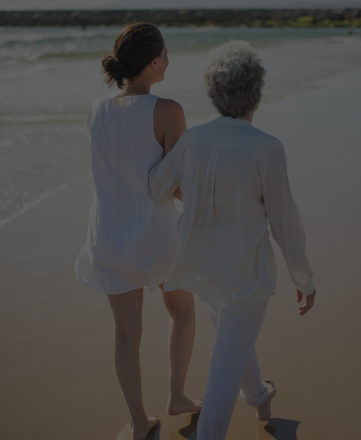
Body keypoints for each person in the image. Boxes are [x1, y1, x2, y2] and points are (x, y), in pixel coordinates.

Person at [149, 40, 316, 440]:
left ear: (213, 92)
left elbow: (157, 187)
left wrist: (196, 188)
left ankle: (259, 397)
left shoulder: (192, 140)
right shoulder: (267, 148)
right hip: (243, 277)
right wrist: (303, 279)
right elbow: (284, 222)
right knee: (225, 364)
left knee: (232, 346)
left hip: (201, 269)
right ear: (256, 92)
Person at [74, 22, 201, 440]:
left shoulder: (96, 108)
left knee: (126, 332)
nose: (169, 60)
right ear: (152, 62)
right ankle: (178, 397)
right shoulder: (168, 110)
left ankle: (139, 423)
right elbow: (175, 184)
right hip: (156, 232)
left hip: (108, 233)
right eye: (165, 53)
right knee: (182, 311)